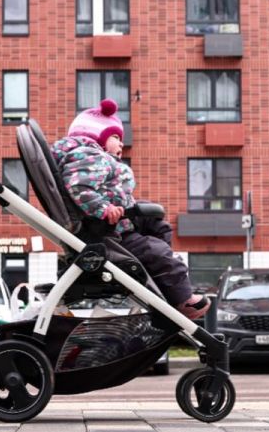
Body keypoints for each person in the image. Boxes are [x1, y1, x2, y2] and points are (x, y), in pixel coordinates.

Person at [51, 98, 211, 320]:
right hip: (108, 231)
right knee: (157, 252)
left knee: (159, 226)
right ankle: (183, 300)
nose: (121, 144)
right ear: (97, 136)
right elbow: (79, 186)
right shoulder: (87, 155)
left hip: (117, 223)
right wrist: (103, 208)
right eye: (116, 137)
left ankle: (158, 281)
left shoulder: (93, 157)